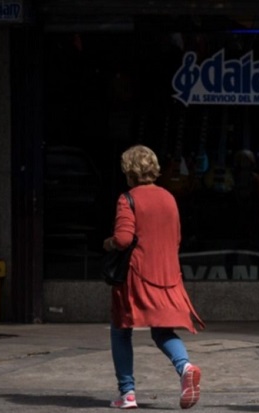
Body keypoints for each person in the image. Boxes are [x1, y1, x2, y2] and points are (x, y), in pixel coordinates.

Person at [103, 145, 205, 409]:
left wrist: (110, 244)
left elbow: (125, 239)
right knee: (162, 330)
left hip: (136, 277)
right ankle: (185, 368)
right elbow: (177, 238)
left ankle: (127, 394)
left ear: (129, 170)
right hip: (168, 275)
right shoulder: (169, 197)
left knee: (121, 329)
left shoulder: (127, 198)